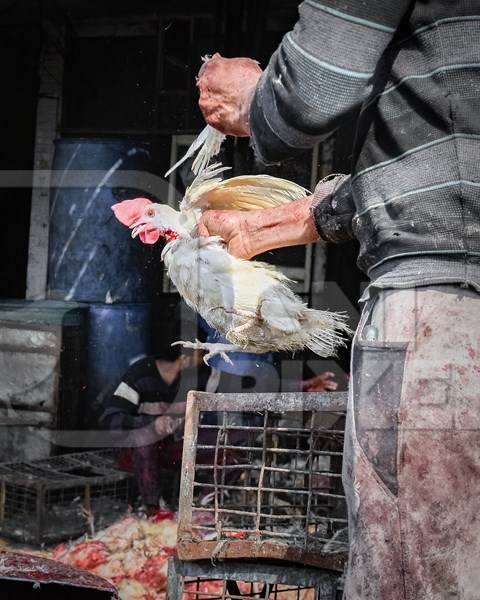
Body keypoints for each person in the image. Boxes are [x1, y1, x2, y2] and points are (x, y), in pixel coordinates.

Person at [196, 3, 480, 598]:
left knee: (414, 570)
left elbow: (316, 89)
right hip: (451, 284)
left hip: (442, 300)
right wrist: (283, 222)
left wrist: (255, 97)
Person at [100, 342, 208, 514]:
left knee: (236, 439)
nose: (205, 357)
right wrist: (151, 423)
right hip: (136, 455)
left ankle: (206, 505)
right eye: (202, 352)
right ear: (185, 358)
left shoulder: (202, 375)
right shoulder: (140, 375)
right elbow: (111, 419)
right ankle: (154, 511)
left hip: (177, 449)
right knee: (144, 438)